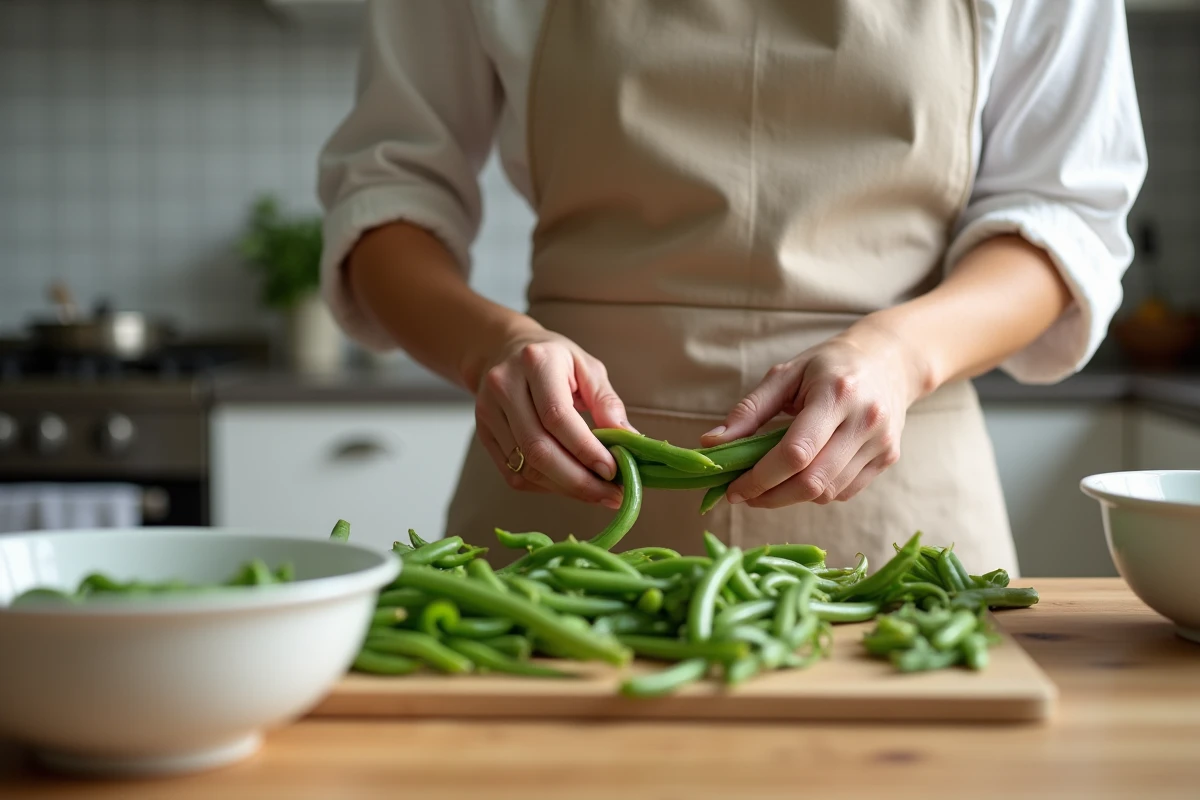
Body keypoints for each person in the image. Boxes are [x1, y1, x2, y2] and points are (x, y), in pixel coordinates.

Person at [317, 0, 1147, 574]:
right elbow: (388, 198)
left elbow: (1064, 218)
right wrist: (492, 347)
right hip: (560, 504)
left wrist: (898, 355)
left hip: (896, 512)